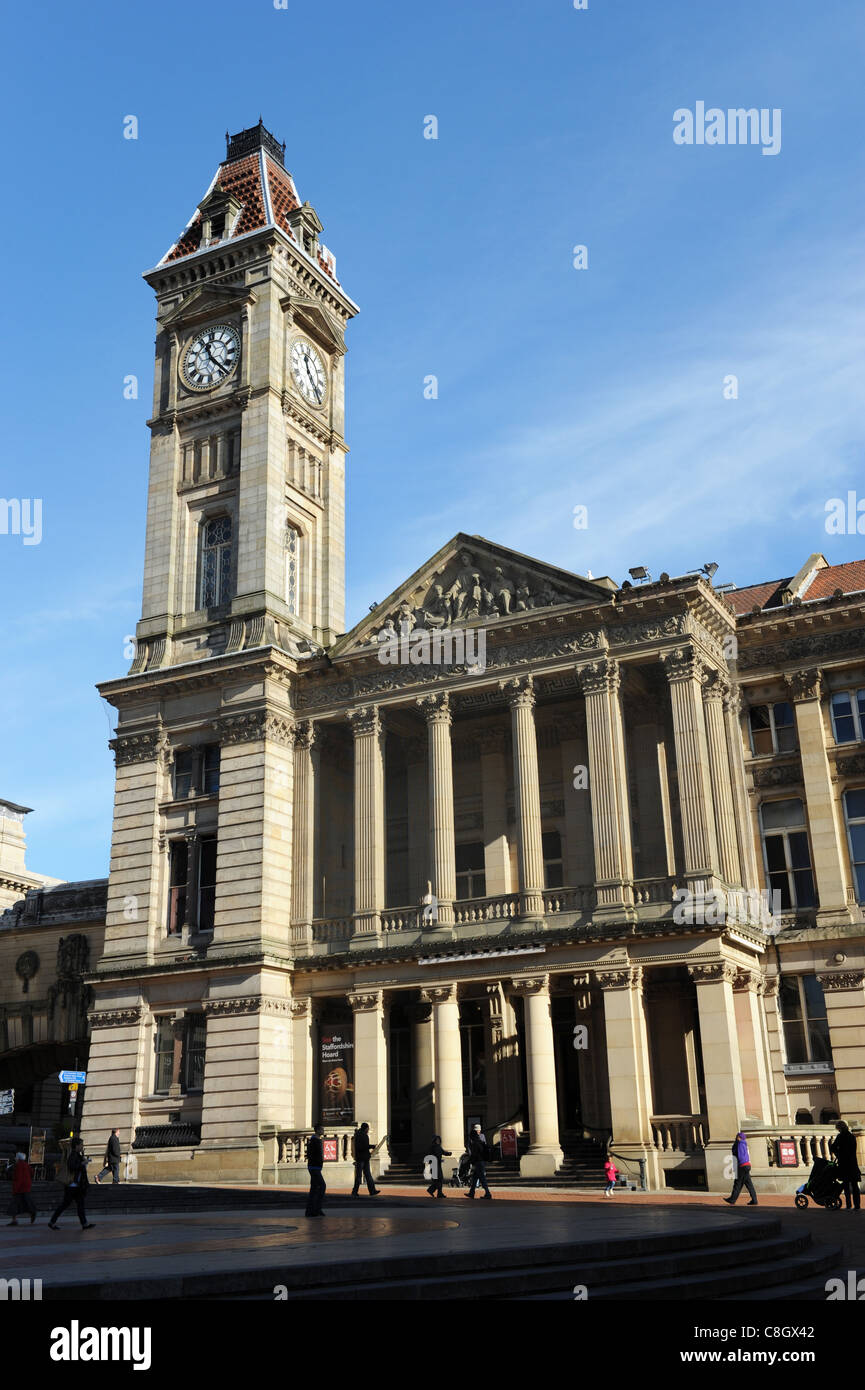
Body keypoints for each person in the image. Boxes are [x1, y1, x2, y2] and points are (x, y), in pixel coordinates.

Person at [48, 1138, 95, 1230]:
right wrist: (82, 1163)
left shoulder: (77, 1155)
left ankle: (84, 1223)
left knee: (78, 1204)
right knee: (67, 1204)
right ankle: (52, 1221)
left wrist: (83, 1161)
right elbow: (72, 1166)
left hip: (76, 1185)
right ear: (76, 1146)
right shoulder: (73, 1155)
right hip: (73, 1185)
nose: (82, 1147)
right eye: (81, 1145)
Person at [829, 1120, 861, 1210]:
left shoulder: (840, 1136)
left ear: (839, 1128)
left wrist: (838, 1154)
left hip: (844, 1164)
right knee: (855, 1186)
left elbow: (832, 1147)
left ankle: (849, 1205)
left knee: (846, 1186)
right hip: (852, 1163)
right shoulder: (851, 1136)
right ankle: (857, 1205)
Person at [724, 1131, 758, 1206]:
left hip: (742, 1166)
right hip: (747, 1165)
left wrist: (737, 1165)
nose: (736, 1138)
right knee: (749, 1184)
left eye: (737, 1136)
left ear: (739, 1137)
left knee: (737, 1183)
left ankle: (732, 1199)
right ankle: (754, 1200)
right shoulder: (745, 1144)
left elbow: (740, 1156)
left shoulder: (739, 1144)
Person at [6, 1152, 37, 1226]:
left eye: (16, 1157)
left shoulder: (18, 1165)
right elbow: (32, 1173)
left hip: (20, 1188)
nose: (15, 1158)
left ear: (18, 1158)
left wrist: (15, 1189)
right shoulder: (26, 1165)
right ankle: (32, 1213)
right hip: (26, 1187)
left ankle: (15, 1220)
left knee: (14, 1204)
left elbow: (19, 1178)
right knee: (26, 1202)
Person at [351, 1122, 381, 1196]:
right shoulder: (363, 1135)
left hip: (361, 1157)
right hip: (363, 1157)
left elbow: (361, 1146)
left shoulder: (358, 1135)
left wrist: (369, 1146)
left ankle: (359, 1191)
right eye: (368, 1128)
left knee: (362, 1175)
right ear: (366, 1128)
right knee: (365, 1175)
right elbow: (363, 1146)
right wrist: (371, 1146)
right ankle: (371, 1190)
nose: (368, 1130)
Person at [305, 1124, 326, 1218]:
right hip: (314, 1167)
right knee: (322, 1186)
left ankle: (312, 1210)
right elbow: (310, 1154)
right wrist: (317, 1161)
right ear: (317, 1130)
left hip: (316, 1167)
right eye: (322, 1129)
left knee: (314, 1188)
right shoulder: (314, 1141)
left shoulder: (318, 1140)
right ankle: (316, 1209)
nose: (323, 1131)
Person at [467, 1123, 492, 1199]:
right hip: (481, 1161)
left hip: (479, 1162)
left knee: (482, 1178)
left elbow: (475, 1154)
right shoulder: (480, 1141)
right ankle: (471, 1193)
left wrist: (470, 1161)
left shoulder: (475, 1143)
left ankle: (488, 1193)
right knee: (475, 1177)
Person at [426, 1135, 452, 1199]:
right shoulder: (434, 1147)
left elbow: (443, 1152)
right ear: (435, 1140)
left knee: (438, 1180)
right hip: (435, 1166)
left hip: (437, 1165)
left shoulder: (437, 1147)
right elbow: (437, 1154)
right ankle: (436, 1192)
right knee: (439, 1179)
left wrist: (448, 1153)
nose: (438, 1141)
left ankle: (434, 1191)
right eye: (437, 1140)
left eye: (439, 1140)